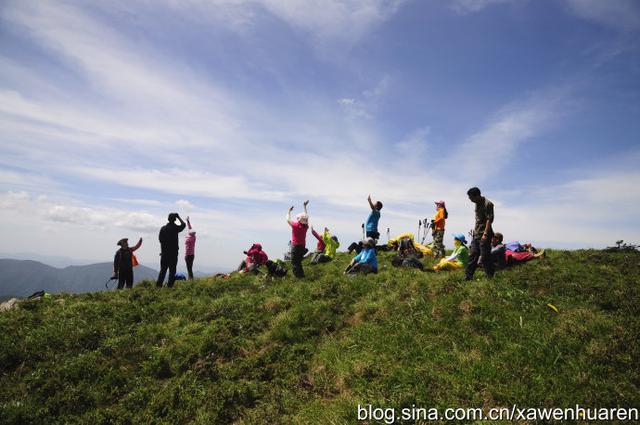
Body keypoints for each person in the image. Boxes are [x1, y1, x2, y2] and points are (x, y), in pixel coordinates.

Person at [465, 187, 495, 280]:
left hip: (484, 234)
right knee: (473, 255)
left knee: (485, 257)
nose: (470, 200)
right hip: (477, 234)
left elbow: (489, 220)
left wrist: (485, 234)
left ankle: (490, 278)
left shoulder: (488, 204)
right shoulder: (477, 203)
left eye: (471, 198)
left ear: (477, 196)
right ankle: (468, 277)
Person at [156, 213, 186, 288]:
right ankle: (170, 286)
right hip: (173, 254)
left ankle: (158, 286)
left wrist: (164, 249)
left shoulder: (163, 228)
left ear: (168, 219)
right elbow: (183, 225)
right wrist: (178, 216)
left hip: (164, 254)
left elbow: (160, 240)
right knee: (172, 271)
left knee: (163, 270)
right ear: (175, 219)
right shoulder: (175, 228)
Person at [287, 200, 310, 278]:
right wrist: (305, 207)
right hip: (302, 246)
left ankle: (298, 277)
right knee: (299, 262)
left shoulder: (295, 225)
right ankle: (302, 276)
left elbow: (287, 219)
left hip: (295, 246)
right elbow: (306, 218)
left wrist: (289, 211)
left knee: (294, 262)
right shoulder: (306, 227)